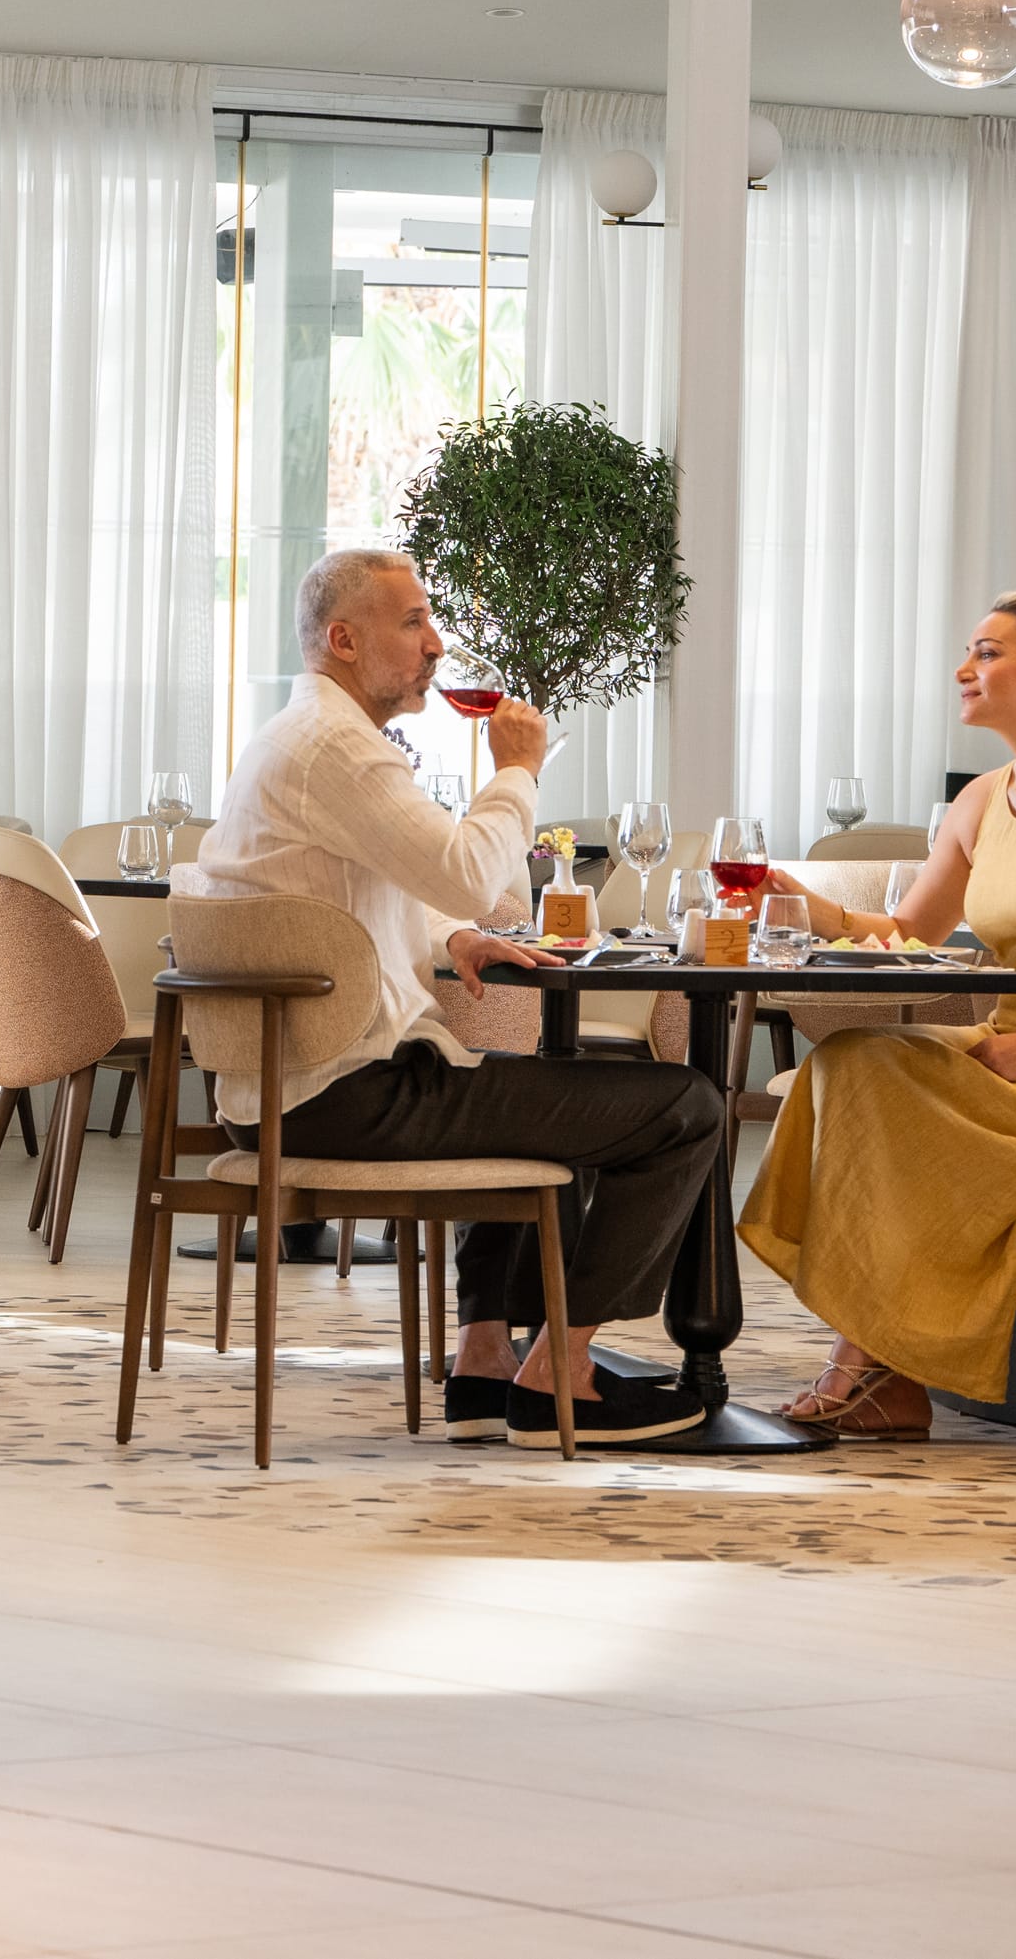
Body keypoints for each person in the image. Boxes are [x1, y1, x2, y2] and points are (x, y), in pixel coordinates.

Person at [185, 547, 727, 1447]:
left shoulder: (302, 735)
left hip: (290, 1093)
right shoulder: (340, 749)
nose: (437, 645)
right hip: (343, 1093)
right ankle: (565, 1370)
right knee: (686, 1106)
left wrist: (448, 938)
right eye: (413, 624)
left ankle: (483, 1365)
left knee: (528, 1086)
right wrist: (518, 767)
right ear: (344, 639)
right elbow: (477, 871)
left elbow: (338, 901)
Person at [738, 591, 1016, 1440]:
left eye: (987, 652)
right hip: (1013, 1042)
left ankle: (867, 1373)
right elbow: (912, 929)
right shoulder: (984, 798)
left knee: (876, 1078)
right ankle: (889, 1376)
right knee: (851, 1059)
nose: (963, 669)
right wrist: (806, 903)